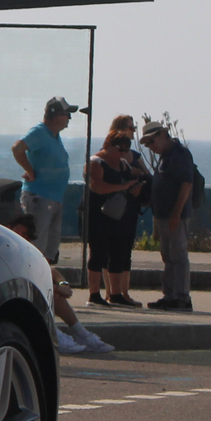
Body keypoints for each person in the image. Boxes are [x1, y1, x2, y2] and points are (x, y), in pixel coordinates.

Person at [8, 213, 113, 354]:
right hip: (10, 302)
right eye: (18, 231)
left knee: (54, 294)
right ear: (9, 229)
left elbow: (52, 271)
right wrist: (56, 287)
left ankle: (81, 334)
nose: (20, 236)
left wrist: (63, 284)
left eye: (25, 234)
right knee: (38, 291)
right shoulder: (3, 251)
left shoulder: (26, 252)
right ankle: (54, 336)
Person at [82, 118, 147, 307]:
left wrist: (134, 189)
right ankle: (94, 294)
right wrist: (121, 187)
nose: (123, 154)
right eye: (120, 150)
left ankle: (116, 294)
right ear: (108, 145)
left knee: (119, 253)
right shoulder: (96, 162)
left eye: (126, 151)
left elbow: (128, 185)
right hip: (98, 214)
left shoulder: (123, 165)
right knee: (98, 253)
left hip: (119, 215)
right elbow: (96, 186)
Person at [11, 97, 77, 268]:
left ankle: (44, 278)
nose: (69, 118)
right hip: (39, 197)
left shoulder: (54, 136)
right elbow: (17, 148)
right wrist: (29, 171)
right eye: (67, 114)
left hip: (55, 198)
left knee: (50, 247)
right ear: (57, 116)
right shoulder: (39, 132)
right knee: (36, 244)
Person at [139, 117, 197, 311]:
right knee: (168, 256)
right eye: (147, 144)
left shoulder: (180, 154)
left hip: (175, 215)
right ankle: (169, 295)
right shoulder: (165, 156)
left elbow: (186, 184)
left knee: (178, 256)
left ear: (163, 135)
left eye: (152, 142)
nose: (150, 147)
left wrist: (176, 213)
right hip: (163, 214)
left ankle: (181, 297)